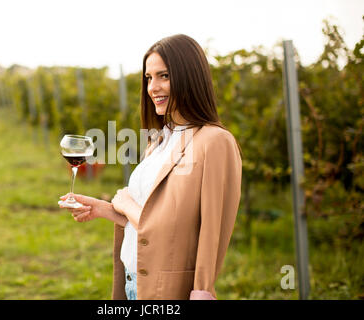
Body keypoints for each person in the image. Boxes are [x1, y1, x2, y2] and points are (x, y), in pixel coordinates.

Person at [59, 34, 242, 300]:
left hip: (166, 292)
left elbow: (187, 229)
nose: (153, 87)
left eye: (164, 76)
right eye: (149, 78)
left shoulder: (214, 141)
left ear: (189, 77)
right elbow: (148, 218)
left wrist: (126, 204)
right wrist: (105, 209)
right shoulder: (160, 139)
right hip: (134, 285)